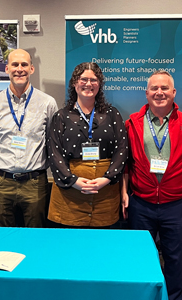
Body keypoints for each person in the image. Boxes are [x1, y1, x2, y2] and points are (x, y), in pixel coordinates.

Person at [122, 70, 182, 300]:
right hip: (141, 203)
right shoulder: (132, 123)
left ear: (174, 92)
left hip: (176, 205)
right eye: (155, 88)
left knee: (175, 260)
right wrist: (124, 194)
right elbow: (125, 163)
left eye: (165, 88)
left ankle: (175, 298)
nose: (160, 93)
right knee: (141, 258)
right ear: (146, 93)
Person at [47, 62, 128, 228]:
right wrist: (72, 181)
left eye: (94, 80)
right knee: (70, 247)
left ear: (100, 84)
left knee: (102, 247)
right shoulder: (61, 116)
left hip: (105, 193)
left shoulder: (112, 114)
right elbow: (53, 152)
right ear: (75, 83)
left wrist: (107, 179)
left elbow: (122, 149)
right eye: (83, 79)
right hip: (69, 194)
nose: (88, 84)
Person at [0, 49, 58, 227]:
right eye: (15, 65)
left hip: (34, 183)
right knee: (1, 237)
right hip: (1, 182)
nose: (19, 69)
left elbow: (51, 141)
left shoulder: (47, 103)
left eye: (24, 64)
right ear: (7, 68)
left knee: (35, 237)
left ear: (31, 69)